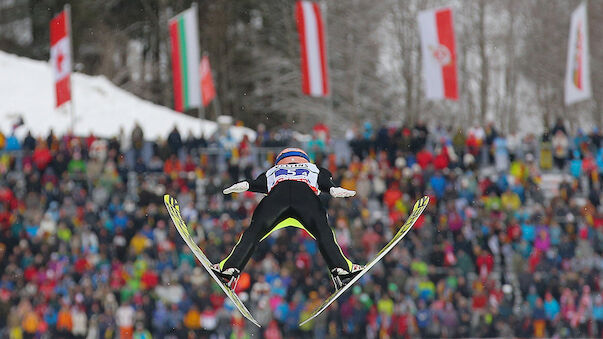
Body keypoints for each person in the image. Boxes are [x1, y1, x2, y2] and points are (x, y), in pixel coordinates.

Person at [212, 147, 364, 291]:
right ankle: (341, 269)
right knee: (324, 232)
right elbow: (325, 181)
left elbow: (257, 183)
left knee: (253, 233)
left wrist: (245, 185)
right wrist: (332, 189)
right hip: (305, 198)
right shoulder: (313, 168)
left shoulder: (274, 170)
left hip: (277, 198)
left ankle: (229, 269)